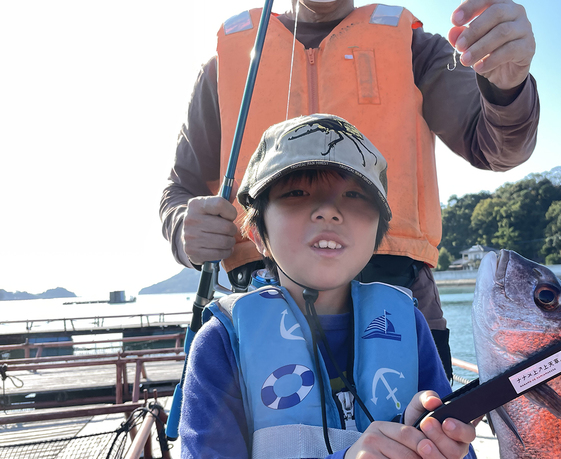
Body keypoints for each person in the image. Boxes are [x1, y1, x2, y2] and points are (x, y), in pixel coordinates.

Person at [160, 0, 540, 378]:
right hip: (257, 309)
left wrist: (508, 88)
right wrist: (185, 228)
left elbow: (498, 148)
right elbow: (180, 189)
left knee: (425, 439)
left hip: (404, 308)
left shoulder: (416, 48)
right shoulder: (224, 65)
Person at [174, 113, 480, 459]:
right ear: (257, 233)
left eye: (355, 196)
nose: (329, 211)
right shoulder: (223, 342)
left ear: (378, 234)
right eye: (297, 193)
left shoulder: (409, 324)